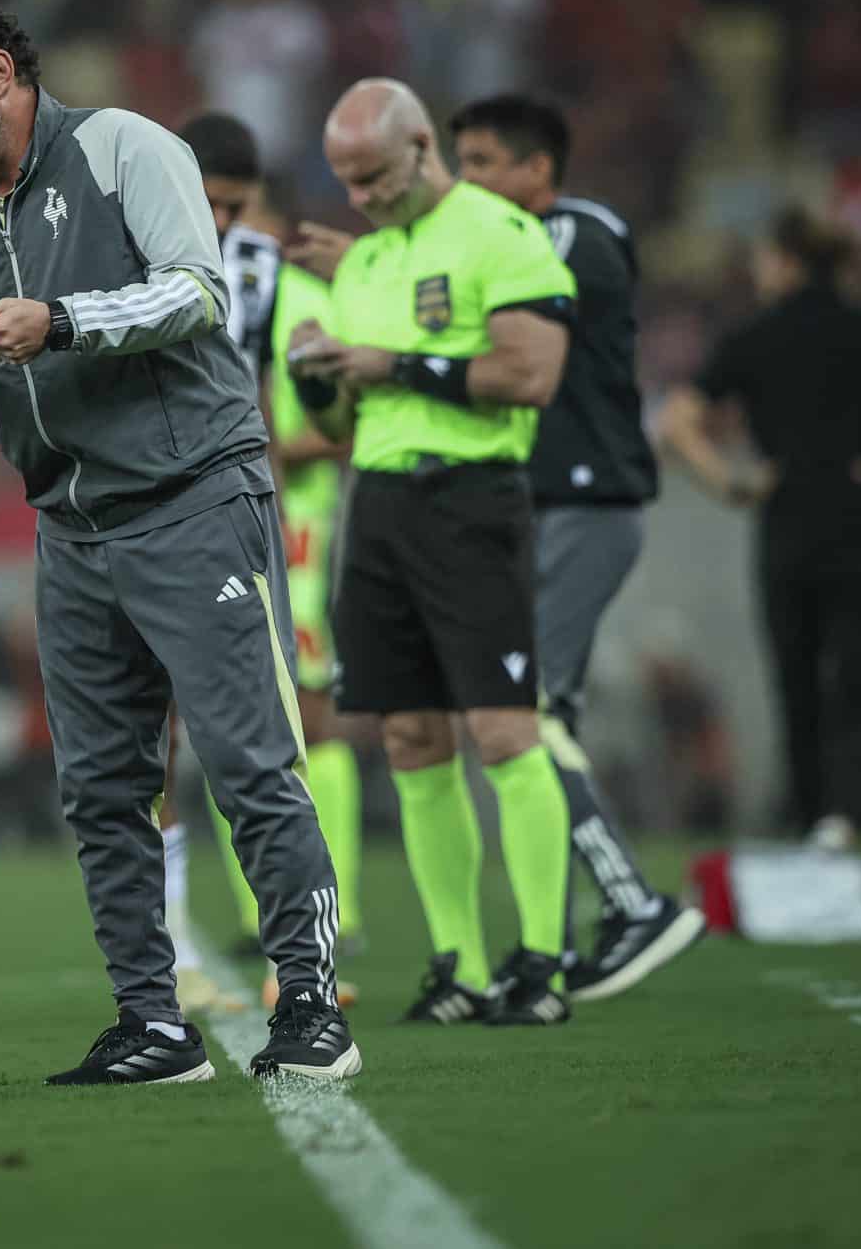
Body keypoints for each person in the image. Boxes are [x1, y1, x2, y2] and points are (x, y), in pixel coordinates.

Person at [0, 0, 358, 1083]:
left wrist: (59, 319)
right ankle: (152, 1024)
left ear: (2, 75)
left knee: (248, 763)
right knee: (102, 789)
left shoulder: (124, 149)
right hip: (69, 529)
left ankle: (308, 1005)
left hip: (192, 499)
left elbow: (198, 294)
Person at [289, 78, 579, 1026]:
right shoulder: (365, 265)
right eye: (345, 182)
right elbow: (343, 413)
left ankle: (543, 961)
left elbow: (531, 376)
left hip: (471, 498)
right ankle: (460, 963)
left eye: (374, 175)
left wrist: (394, 363)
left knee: (503, 730)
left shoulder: (501, 234)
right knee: (411, 739)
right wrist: (317, 373)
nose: (361, 197)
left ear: (423, 146)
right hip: (377, 505)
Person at [447, 94, 706, 1002]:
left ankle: (633, 903)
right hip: (550, 505)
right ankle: (555, 936)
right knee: (548, 716)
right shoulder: (506, 238)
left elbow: (497, 309)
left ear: (537, 173)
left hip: (587, 503)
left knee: (523, 713)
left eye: (482, 161)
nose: (466, 179)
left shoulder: (577, 234)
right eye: (461, 160)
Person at [659, 207, 861, 845]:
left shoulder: (754, 334)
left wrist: (732, 484)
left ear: (784, 260)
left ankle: (807, 811)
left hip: (787, 518)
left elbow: (677, 421)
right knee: (860, 672)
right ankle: (845, 816)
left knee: (796, 673)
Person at [164, 111, 366, 1014]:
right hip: (160, 524)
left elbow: (330, 421)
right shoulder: (141, 262)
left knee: (289, 728)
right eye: (202, 202)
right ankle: (211, 941)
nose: (217, 221)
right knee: (178, 741)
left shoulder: (274, 279)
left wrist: (264, 454)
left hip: (269, 532)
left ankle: (319, 933)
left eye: (232, 205)